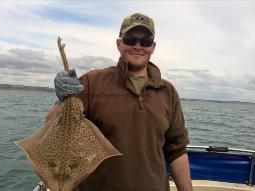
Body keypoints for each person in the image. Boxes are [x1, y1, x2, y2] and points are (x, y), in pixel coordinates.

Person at [48, 13, 192, 191]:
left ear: (153, 47)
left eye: (145, 41)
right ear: (119, 44)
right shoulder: (92, 82)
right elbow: (54, 129)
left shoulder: (167, 91)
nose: (138, 46)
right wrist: (62, 99)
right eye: (130, 39)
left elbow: (176, 150)